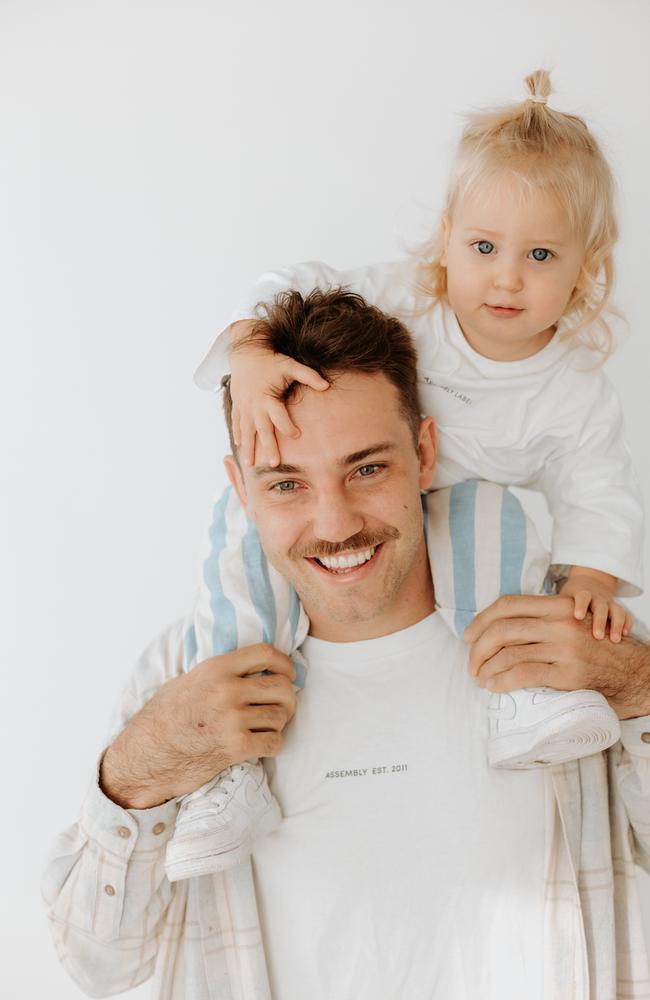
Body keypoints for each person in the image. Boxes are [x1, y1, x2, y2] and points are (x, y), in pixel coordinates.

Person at [42, 287, 650, 1000]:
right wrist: (148, 765)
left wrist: (640, 688)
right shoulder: (187, 675)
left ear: (425, 453)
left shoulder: (574, 638)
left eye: (367, 469)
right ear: (240, 489)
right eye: (286, 484)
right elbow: (96, 963)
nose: (334, 524)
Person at [169, 68, 645, 882]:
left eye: (540, 255)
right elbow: (293, 289)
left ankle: (522, 697)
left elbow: (596, 485)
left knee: (498, 516)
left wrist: (594, 577)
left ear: (585, 266)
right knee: (239, 536)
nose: (505, 278)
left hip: (454, 511)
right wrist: (250, 353)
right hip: (378, 488)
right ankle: (228, 773)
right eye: (484, 248)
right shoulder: (407, 301)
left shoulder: (570, 387)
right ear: (447, 236)